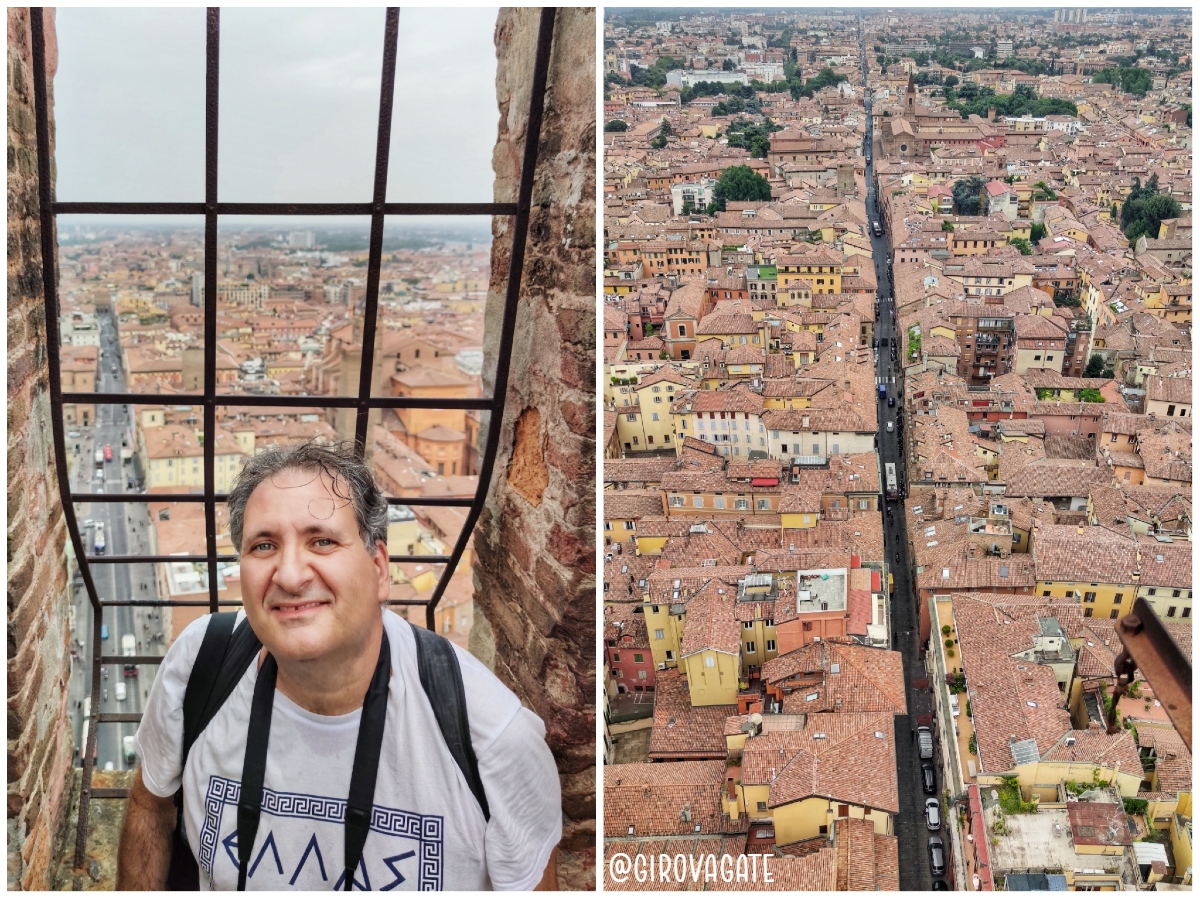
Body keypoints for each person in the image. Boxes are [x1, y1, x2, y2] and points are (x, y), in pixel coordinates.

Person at [118, 442, 561, 890]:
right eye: (264, 545)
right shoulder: (200, 664)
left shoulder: (492, 739)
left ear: (379, 569)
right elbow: (151, 806)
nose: (290, 576)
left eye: (323, 541)